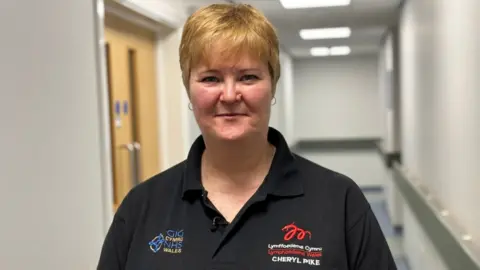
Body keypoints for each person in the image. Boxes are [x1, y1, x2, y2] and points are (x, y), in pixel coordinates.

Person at [97, 3, 397, 270]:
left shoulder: (339, 201)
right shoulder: (142, 207)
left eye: (248, 77)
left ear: (273, 85)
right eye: (210, 78)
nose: (229, 95)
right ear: (189, 88)